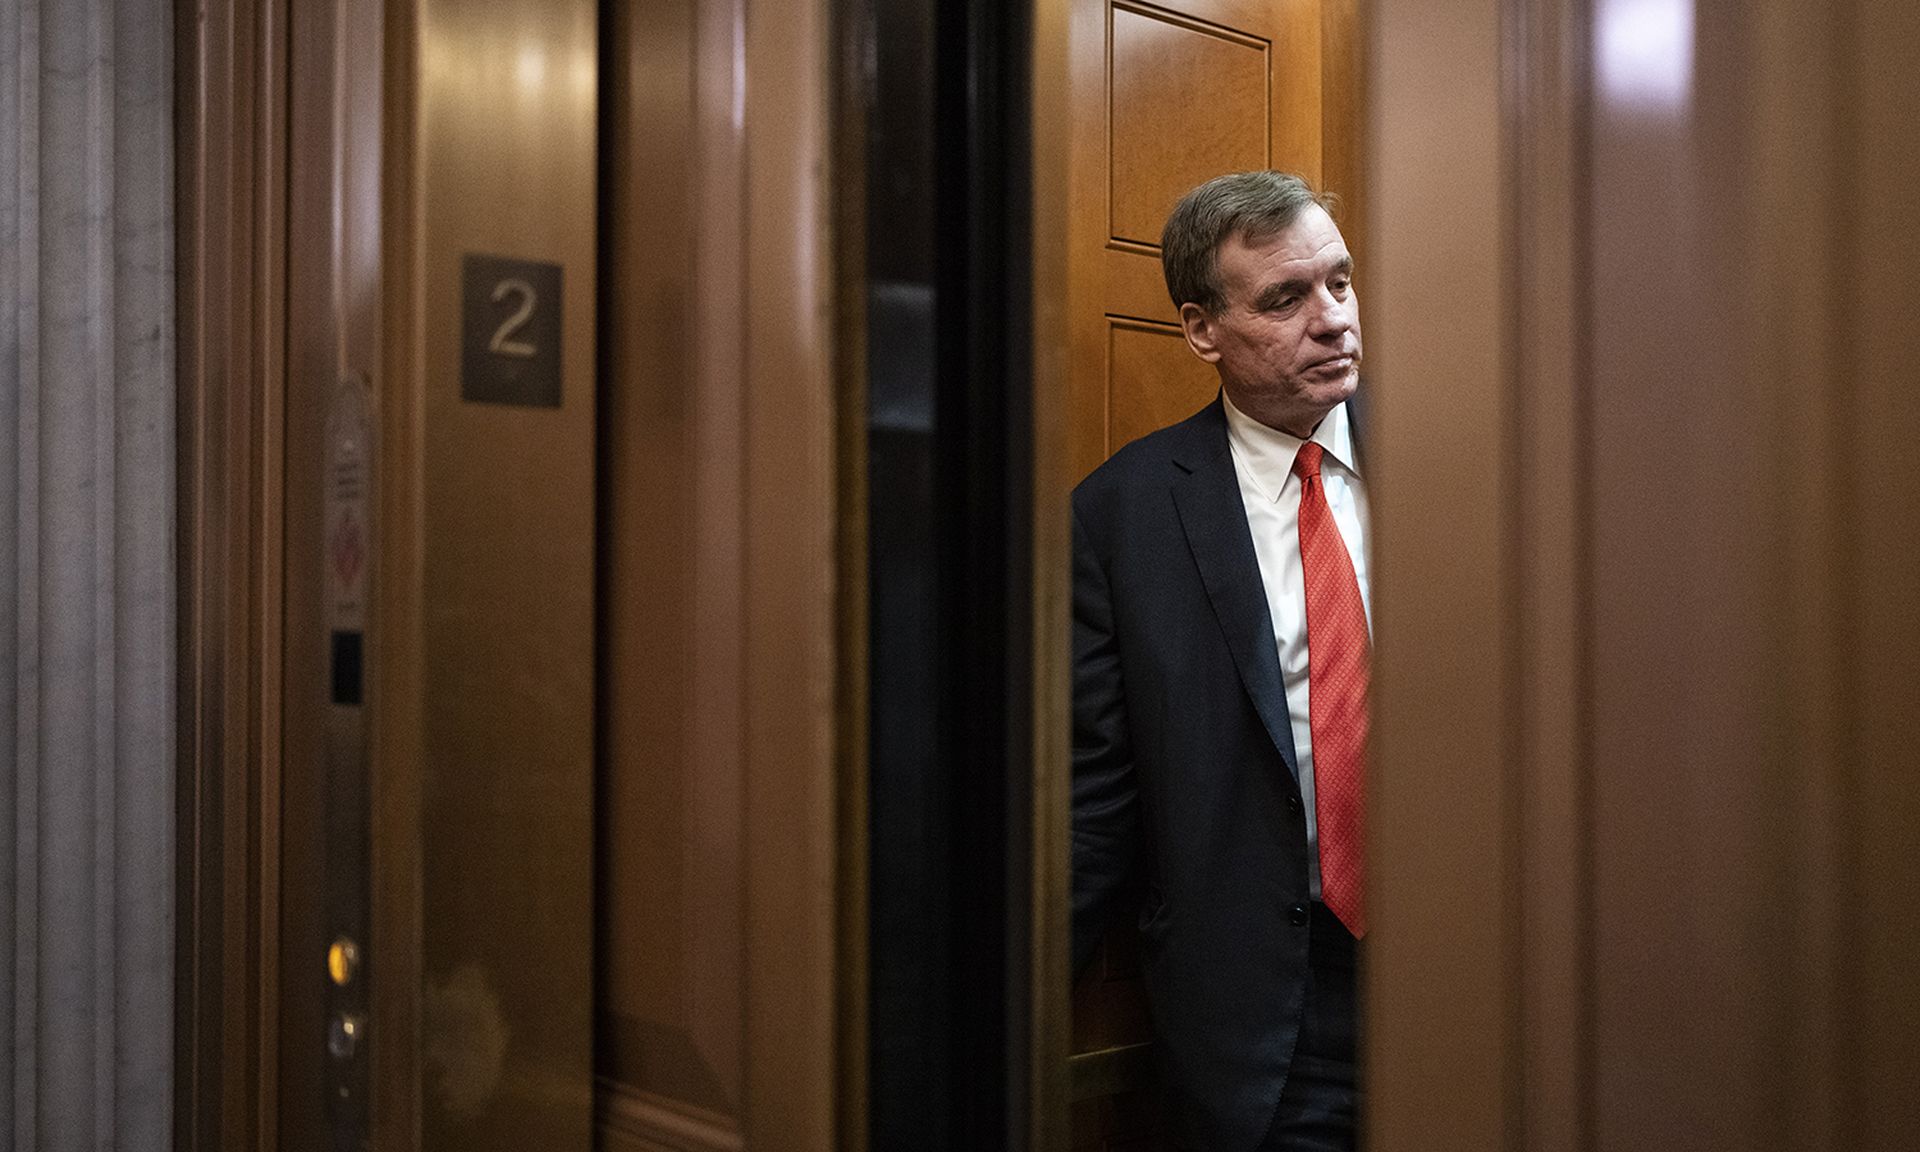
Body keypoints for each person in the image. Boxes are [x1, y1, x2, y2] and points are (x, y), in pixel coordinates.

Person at [1072, 171, 1370, 1152]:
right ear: (1202, 330)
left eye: (1339, 283)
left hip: (1481, 973)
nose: (1331, 319)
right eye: (1286, 299)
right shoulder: (1125, 514)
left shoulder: (1472, 457)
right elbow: (1096, 793)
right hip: (1271, 1020)